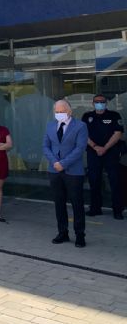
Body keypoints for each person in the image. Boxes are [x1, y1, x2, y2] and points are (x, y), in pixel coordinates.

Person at [42, 99, 88, 248]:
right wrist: (55, 162)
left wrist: (63, 163)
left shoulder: (80, 126)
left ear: (69, 111)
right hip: (54, 170)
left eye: (62, 111)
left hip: (73, 172)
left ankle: (80, 234)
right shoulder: (50, 126)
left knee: (77, 203)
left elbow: (80, 148)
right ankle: (63, 232)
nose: (59, 114)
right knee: (59, 203)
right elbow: (45, 146)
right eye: (57, 112)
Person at [81, 94, 124, 220]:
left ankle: (117, 210)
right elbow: (83, 134)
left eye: (102, 101)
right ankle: (95, 208)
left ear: (106, 103)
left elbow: (118, 133)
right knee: (94, 181)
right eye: (97, 101)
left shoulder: (114, 115)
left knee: (115, 182)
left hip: (111, 153)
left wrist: (105, 148)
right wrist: (95, 147)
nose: (100, 103)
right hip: (93, 153)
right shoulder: (87, 116)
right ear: (92, 103)